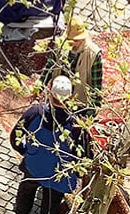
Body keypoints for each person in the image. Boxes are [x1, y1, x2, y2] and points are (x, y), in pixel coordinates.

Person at [11, 76, 88, 214]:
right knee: (50, 206)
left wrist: (26, 152)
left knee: (26, 190)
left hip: (34, 166)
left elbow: (15, 138)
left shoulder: (34, 112)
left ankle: (20, 210)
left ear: (50, 93)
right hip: (58, 176)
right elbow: (81, 156)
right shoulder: (76, 126)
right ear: (70, 97)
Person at [42, 17, 104, 115]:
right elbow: (50, 65)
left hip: (78, 102)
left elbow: (97, 87)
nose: (71, 43)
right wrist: (40, 86)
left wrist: (91, 113)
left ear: (82, 38)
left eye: (75, 40)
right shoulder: (60, 45)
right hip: (58, 95)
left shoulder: (93, 55)